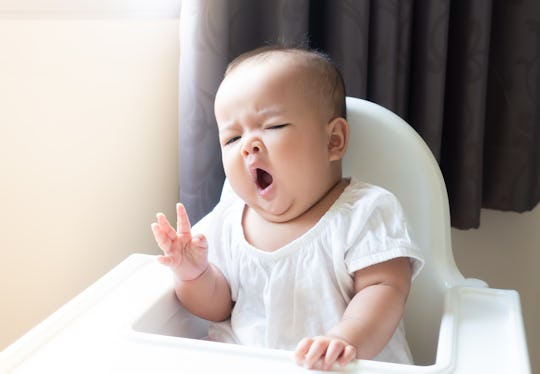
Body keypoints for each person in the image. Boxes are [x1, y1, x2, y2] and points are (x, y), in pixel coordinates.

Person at [151, 45, 424, 371]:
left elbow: (386, 290)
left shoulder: (364, 212)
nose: (248, 145)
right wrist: (193, 274)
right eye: (232, 138)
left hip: (338, 367)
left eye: (274, 126)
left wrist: (346, 340)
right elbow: (217, 306)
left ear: (333, 141)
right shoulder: (227, 220)